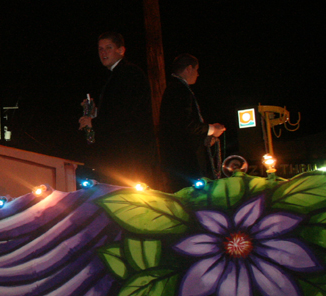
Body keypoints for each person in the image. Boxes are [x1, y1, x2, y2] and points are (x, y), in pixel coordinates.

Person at [79, 32, 155, 186]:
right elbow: (118, 110)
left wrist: (93, 122)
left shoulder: (128, 73)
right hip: (124, 153)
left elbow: (124, 113)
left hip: (128, 155)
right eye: (100, 49)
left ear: (121, 50)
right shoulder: (119, 74)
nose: (103, 52)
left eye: (108, 48)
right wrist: (93, 113)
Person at [159, 53, 226, 192]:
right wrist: (212, 129)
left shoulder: (175, 89)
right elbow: (185, 125)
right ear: (189, 69)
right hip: (185, 164)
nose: (198, 74)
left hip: (179, 163)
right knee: (193, 202)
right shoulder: (179, 90)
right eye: (196, 70)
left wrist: (204, 137)